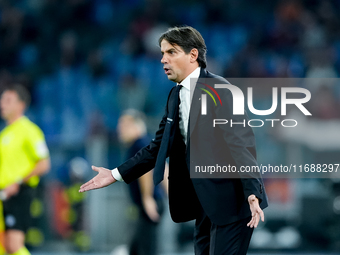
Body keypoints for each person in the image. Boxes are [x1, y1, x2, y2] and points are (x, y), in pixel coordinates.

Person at [80, 26, 268, 255]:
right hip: (204, 205)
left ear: (193, 55)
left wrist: (252, 192)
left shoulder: (221, 91)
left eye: (171, 52)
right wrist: (115, 174)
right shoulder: (175, 96)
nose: (163, 59)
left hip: (233, 202)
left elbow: (241, 145)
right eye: (162, 53)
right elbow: (157, 147)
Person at [0, 85, 50, 255]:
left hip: (19, 192)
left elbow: (44, 163)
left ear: (21, 105)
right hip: (4, 193)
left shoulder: (30, 130)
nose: (2, 104)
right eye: (2, 99)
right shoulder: (5, 133)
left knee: (14, 244)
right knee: (3, 244)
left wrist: (18, 182)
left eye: (8, 100)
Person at [117, 109, 167, 255]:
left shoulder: (139, 144)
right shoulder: (146, 142)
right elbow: (165, 168)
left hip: (149, 204)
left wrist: (147, 197)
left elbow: (145, 170)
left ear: (135, 125)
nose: (120, 129)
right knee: (138, 247)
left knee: (145, 249)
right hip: (152, 204)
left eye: (124, 125)